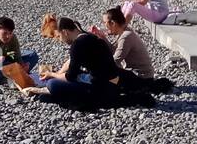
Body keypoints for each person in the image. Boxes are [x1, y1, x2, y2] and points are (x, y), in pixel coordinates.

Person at [22, 17, 170, 109]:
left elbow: (70, 77)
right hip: (115, 79)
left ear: (66, 32)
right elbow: (72, 62)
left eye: (60, 36)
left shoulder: (76, 45)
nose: (61, 40)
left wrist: (52, 75)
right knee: (65, 80)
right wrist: (58, 71)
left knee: (52, 85)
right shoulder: (88, 37)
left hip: (102, 86)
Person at [96, 7, 155, 78]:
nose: (104, 26)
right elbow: (113, 50)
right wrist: (103, 37)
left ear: (113, 23)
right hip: (141, 74)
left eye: (105, 22)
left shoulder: (126, 36)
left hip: (141, 77)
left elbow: (115, 61)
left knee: (107, 78)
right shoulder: (124, 31)